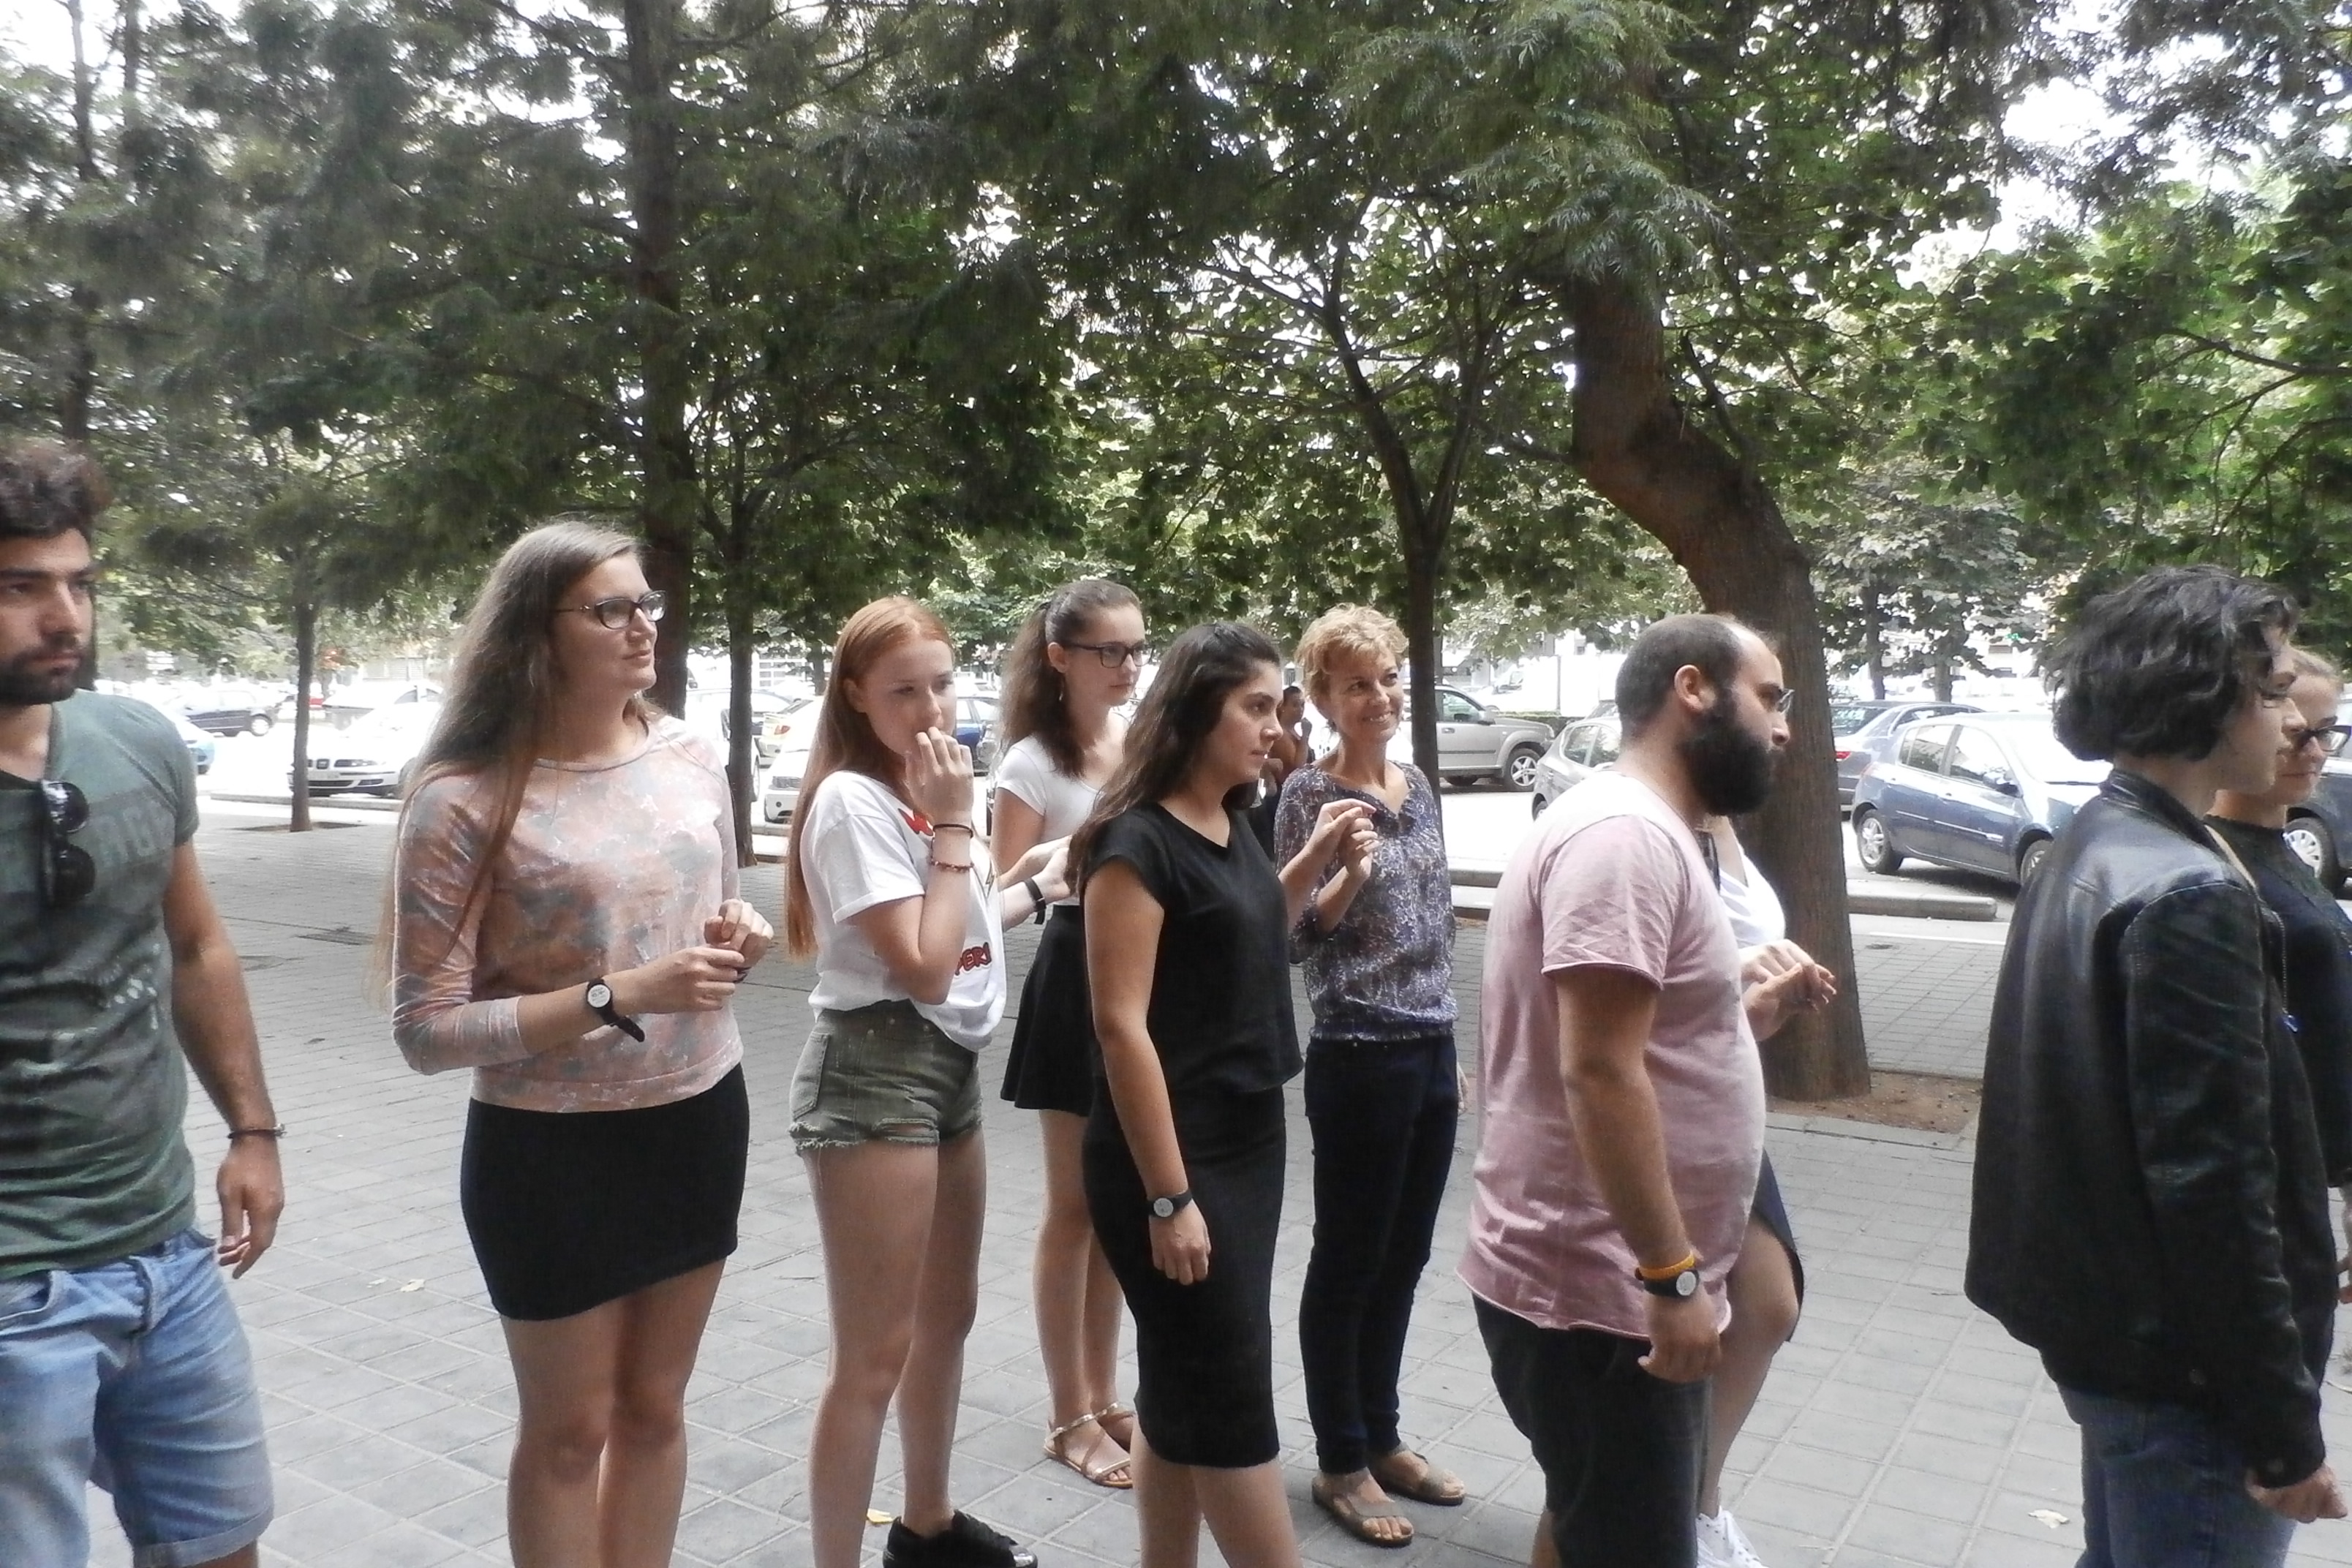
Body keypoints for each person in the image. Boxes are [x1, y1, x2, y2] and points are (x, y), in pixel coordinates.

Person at [391, 521, 772, 1567]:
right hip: (549, 1152)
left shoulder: (689, 754)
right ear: (537, 632)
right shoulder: (465, 796)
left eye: (648, 602)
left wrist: (740, 933)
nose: (644, 625)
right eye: (610, 609)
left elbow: (720, 909)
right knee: (568, 1434)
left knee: (656, 1409)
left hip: (697, 1117)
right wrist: (614, 995)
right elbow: (425, 1030)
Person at [1970, 567, 2347, 1565]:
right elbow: (2215, 1185)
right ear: (2205, 696)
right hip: (2190, 1377)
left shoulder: (2096, 839)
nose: (2291, 721)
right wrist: (2283, 1428)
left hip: (2120, 1345)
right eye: (2274, 692)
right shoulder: (2186, 892)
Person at [1461, 612, 1820, 1568]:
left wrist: (1737, 1020)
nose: (1784, 726)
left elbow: (1632, 1046)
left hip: (1607, 1289)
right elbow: (1598, 1069)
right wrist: (1671, 1277)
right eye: (1769, 698)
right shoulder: (1625, 838)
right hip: (1602, 1296)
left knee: (1589, 1523)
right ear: (1692, 688)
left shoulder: (1650, 830)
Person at [0, 440, 283, 1568]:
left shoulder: (138, 743)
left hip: (167, 1253)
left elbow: (197, 946)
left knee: (222, 1546)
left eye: (80, 584)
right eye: (22, 587)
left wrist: (253, 1131)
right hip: (13, 1291)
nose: (64, 616)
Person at [1078, 621, 1373, 1568]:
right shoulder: (1134, 844)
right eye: (1254, 706)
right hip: (1174, 1154)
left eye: (1276, 705)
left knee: (1180, 1390)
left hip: (1247, 1138)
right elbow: (1121, 1028)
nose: (1275, 725)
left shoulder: (1230, 820)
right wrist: (1169, 1197)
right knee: (1231, 1395)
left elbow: (1250, 928)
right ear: (1196, 710)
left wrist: (1317, 858)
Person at [785, 596, 1068, 1568]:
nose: (931, 708)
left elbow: (965, 929)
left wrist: (1038, 885)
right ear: (857, 696)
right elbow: (921, 964)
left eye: (942, 683)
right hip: (874, 1068)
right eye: (904, 690)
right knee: (872, 1354)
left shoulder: (929, 789)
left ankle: (928, 1524)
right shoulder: (853, 801)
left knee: (948, 1316)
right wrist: (955, 824)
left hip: (947, 1068)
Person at [1274, 606, 1465, 1547]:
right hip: (1358, 1050)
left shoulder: (1417, 783)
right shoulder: (1308, 795)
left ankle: (1383, 1434)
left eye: (1388, 676)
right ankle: (1340, 1457)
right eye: (1357, 683)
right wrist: (1346, 872)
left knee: (1406, 1253)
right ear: (1322, 697)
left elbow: (1439, 912)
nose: (1380, 695)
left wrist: (1453, 1046)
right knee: (1349, 1257)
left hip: (1432, 1045)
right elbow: (1292, 935)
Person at [992, 578, 1146, 1489]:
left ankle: (1104, 1392)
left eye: (1136, 649)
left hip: (1139, 971)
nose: (1127, 666)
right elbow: (998, 892)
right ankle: (1067, 1413)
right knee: (1074, 1206)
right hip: (1072, 970)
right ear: (1060, 657)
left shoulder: (1136, 740)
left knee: (1119, 1202)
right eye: (1109, 651)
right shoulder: (1031, 762)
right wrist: (1059, 865)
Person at [1692, 816, 1821, 1568]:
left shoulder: (1724, 818)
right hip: (1669, 1108)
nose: (1779, 757)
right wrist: (1741, 970)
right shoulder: (1648, 824)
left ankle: (1698, 1504)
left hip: (1724, 1095)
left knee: (1768, 1303)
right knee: (1639, 1339)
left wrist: (1766, 1004)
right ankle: (1651, 1508)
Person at [2210, 649, 2352, 1276]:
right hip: (2272, 1185)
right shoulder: (2211, 866)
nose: (2313, 751)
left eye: (2326, 732)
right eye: (2296, 733)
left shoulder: (2282, 847)